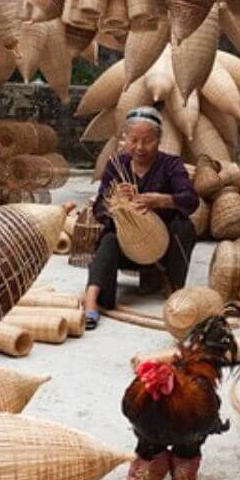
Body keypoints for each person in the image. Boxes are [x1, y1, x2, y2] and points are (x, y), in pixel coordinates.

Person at [83, 107, 200, 330]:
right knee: (108, 239)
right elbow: (98, 208)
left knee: (185, 227)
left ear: (159, 140)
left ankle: (175, 289)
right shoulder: (116, 165)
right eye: (134, 140)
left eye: (147, 141)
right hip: (128, 248)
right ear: (125, 139)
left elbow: (190, 200)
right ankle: (93, 299)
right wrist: (116, 201)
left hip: (163, 249)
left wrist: (160, 200)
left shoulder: (171, 164)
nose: (139, 147)